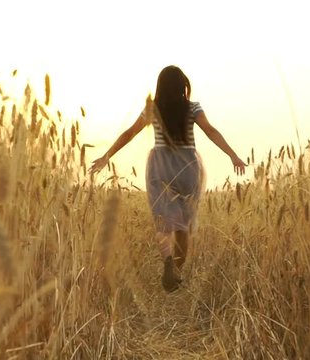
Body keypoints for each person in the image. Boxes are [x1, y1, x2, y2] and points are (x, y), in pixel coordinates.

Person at [89, 65, 246, 292]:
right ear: (184, 86)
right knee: (183, 226)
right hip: (187, 167)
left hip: (160, 167)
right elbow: (210, 131)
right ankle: (177, 272)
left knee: (163, 222)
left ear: (160, 87)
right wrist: (233, 155)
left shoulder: (152, 109)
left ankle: (167, 260)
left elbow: (129, 134)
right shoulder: (193, 108)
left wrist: (106, 156)